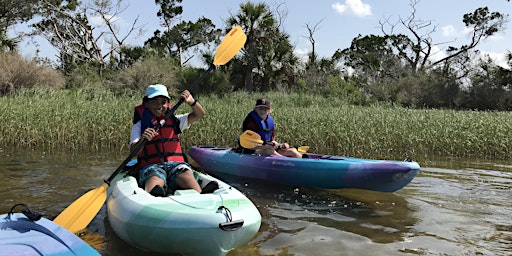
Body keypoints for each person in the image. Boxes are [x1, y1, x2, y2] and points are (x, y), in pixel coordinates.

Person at [129, 84, 215, 196]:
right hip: (152, 166)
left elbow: (199, 114)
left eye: (163, 102)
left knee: (186, 176)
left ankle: (200, 194)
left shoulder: (176, 121)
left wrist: (192, 102)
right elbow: (133, 152)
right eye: (154, 102)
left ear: (168, 103)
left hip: (176, 165)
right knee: (155, 179)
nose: (159, 106)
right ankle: (155, 194)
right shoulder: (139, 126)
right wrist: (142, 140)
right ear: (146, 104)